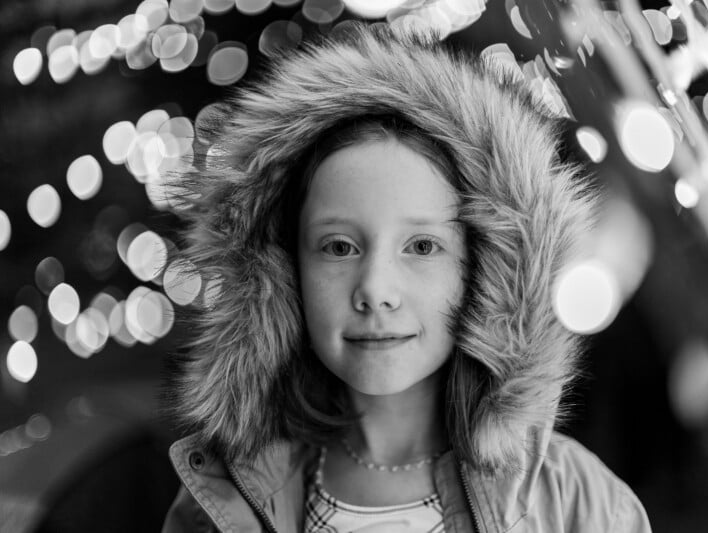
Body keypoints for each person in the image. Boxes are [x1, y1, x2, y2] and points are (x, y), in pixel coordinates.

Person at [161, 23, 651, 532]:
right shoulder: (225, 498)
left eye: (421, 247)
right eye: (339, 247)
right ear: (283, 273)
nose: (374, 290)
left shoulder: (582, 506)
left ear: (487, 272)